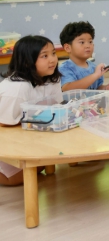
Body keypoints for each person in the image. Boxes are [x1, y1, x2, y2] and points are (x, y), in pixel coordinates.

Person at [0, 36, 63, 185]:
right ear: (27, 62)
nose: (52, 60)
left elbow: (58, 106)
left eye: (53, 53)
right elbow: (4, 124)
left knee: (39, 166)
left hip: (26, 133)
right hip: (7, 133)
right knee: (13, 179)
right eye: (44, 56)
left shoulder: (52, 78)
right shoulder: (17, 88)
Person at [58, 21, 109, 92]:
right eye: (82, 42)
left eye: (90, 42)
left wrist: (105, 88)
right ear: (68, 48)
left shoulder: (94, 67)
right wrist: (95, 75)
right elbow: (68, 89)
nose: (88, 46)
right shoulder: (65, 68)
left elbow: (96, 89)